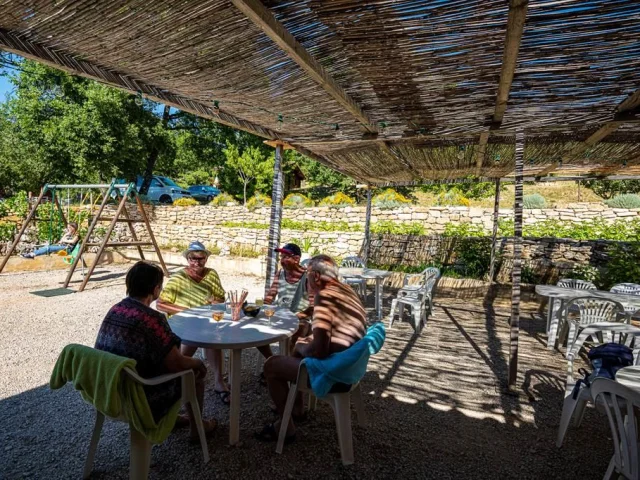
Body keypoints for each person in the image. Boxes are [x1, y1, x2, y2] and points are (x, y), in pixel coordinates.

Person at [95, 261, 217, 441]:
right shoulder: (151, 319)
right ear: (156, 289)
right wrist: (199, 362)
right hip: (140, 395)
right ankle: (198, 428)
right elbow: (177, 363)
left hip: (110, 389)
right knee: (193, 373)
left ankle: (172, 419)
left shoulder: (116, 309)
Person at [255, 254, 367, 443]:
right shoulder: (347, 290)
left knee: (271, 366)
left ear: (315, 276)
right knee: (301, 345)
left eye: (307, 275)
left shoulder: (324, 297)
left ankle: (286, 427)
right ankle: (297, 407)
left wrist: (302, 345)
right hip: (351, 365)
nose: (306, 279)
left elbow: (320, 351)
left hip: (336, 372)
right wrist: (305, 344)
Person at [156, 241, 230, 404]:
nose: (196, 262)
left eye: (200, 258)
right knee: (201, 334)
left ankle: (219, 381)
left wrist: (213, 301)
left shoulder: (212, 274)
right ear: (187, 259)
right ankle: (174, 375)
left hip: (206, 321)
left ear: (206, 259)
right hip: (183, 323)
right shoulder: (178, 278)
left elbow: (220, 298)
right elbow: (160, 304)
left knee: (212, 336)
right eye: (192, 258)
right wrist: (187, 311)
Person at [258, 243, 314, 365]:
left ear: (296, 259)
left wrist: (297, 316)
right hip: (280, 315)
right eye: (281, 257)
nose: (282, 261)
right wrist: (262, 308)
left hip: (300, 318)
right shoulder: (280, 273)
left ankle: (287, 369)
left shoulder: (307, 277)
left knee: (294, 338)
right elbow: (271, 295)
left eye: (285, 257)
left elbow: (313, 306)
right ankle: (273, 362)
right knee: (256, 333)